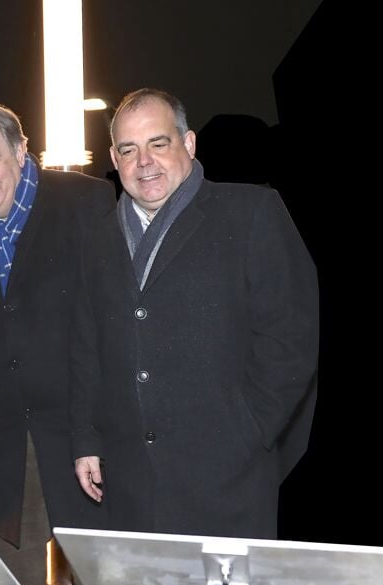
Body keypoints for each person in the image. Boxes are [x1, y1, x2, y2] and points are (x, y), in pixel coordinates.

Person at [70, 88, 319, 538]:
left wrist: (250, 431)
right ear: (114, 156)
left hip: (227, 484)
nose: (143, 162)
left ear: (188, 144)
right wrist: (87, 438)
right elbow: (87, 346)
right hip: (130, 485)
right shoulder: (97, 239)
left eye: (158, 144)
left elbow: (291, 340)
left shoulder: (251, 214)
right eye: (129, 150)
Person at [0, 101, 113, 585]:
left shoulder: (88, 203)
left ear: (21, 151)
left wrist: (98, 419)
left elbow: (111, 317)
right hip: (8, 433)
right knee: (14, 578)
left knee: (99, 575)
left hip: (86, 431)